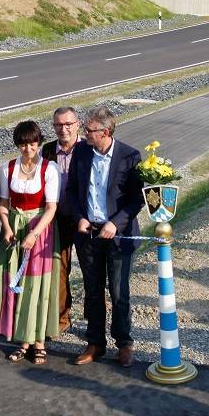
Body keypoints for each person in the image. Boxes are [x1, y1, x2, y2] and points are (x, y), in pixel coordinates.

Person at [62, 106, 143, 368]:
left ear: (105, 132)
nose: (84, 133)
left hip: (118, 237)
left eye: (89, 130)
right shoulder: (82, 152)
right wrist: (79, 218)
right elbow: (72, 190)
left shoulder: (130, 156)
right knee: (93, 291)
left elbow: (136, 200)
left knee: (119, 291)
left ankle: (124, 343)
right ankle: (95, 343)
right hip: (88, 234)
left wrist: (115, 223)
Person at [0, 120, 61, 364]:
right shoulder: (6, 169)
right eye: (23, 144)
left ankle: (38, 341)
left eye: (32, 144)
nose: (28, 149)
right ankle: (22, 340)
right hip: (13, 230)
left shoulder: (49, 169)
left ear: (39, 143)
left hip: (39, 230)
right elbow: (3, 204)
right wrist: (6, 228)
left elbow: (51, 208)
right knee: (12, 282)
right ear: (18, 145)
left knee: (35, 286)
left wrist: (34, 233)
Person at [41, 106, 80, 333]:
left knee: (91, 271)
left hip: (84, 220)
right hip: (57, 219)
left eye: (68, 124)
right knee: (60, 268)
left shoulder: (87, 149)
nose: (63, 129)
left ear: (77, 124)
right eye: (58, 125)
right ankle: (61, 318)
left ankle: (95, 320)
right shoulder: (47, 151)